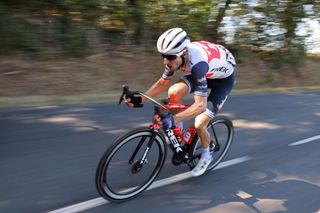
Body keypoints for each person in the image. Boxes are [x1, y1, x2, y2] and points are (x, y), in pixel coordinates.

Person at [124, 27, 236, 177]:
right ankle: (178, 135)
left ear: (183, 53)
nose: (165, 60)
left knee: (200, 123)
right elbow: (162, 84)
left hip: (222, 81)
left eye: (170, 57)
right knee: (173, 92)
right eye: (163, 56)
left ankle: (206, 156)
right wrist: (139, 99)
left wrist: (172, 119)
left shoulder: (197, 63)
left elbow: (200, 106)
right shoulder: (176, 56)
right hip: (207, 72)